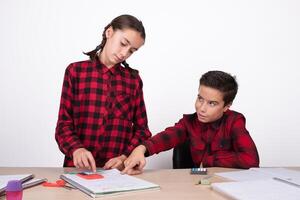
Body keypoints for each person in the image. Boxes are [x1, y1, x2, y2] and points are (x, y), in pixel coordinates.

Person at [55, 14, 151, 172]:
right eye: (123, 43)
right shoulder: (75, 72)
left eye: (131, 51)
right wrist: (76, 149)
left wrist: (125, 157)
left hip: (116, 173)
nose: (124, 53)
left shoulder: (132, 81)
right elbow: (63, 125)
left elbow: (142, 130)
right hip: (77, 171)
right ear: (109, 32)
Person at [122, 70, 260, 175]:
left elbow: (251, 159)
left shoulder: (234, 121)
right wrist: (141, 149)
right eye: (200, 99)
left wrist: (208, 161)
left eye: (212, 103)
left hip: (228, 183)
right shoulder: (189, 122)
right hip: (198, 180)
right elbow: (167, 137)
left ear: (226, 106)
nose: (202, 108)